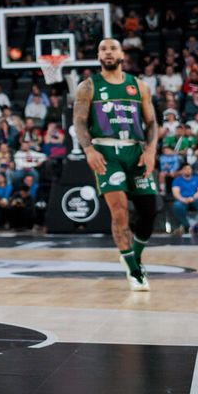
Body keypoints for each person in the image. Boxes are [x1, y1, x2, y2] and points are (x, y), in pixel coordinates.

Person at [72, 38, 159, 291]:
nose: (108, 52)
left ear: (122, 54)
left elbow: (152, 122)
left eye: (112, 48)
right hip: (105, 152)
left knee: (149, 213)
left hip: (136, 150)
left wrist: (151, 150)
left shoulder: (138, 86)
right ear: (98, 55)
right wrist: (88, 149)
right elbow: (79, 121)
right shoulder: (88, 86)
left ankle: (133, 255)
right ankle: (135, 272)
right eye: (103, 49)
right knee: (119, 210)